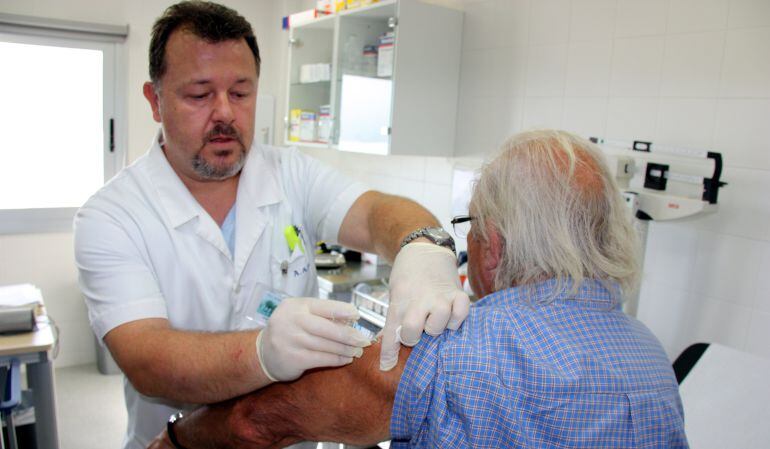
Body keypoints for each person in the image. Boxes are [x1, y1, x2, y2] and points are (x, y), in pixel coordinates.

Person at [73, 2, 470, 448]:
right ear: (155, 100)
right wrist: (262, 354)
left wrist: (424, 245)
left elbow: (378, 212)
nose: (224, 113)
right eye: (200, 95)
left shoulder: (291, 174)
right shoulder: (111, 215)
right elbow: (148, 362)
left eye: (241, 93)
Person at [147, 130, 689, 449]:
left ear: (493, 244)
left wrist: (174, 439)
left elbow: (257, 420)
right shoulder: (651, 355)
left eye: (470, 223)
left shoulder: (458, 350)